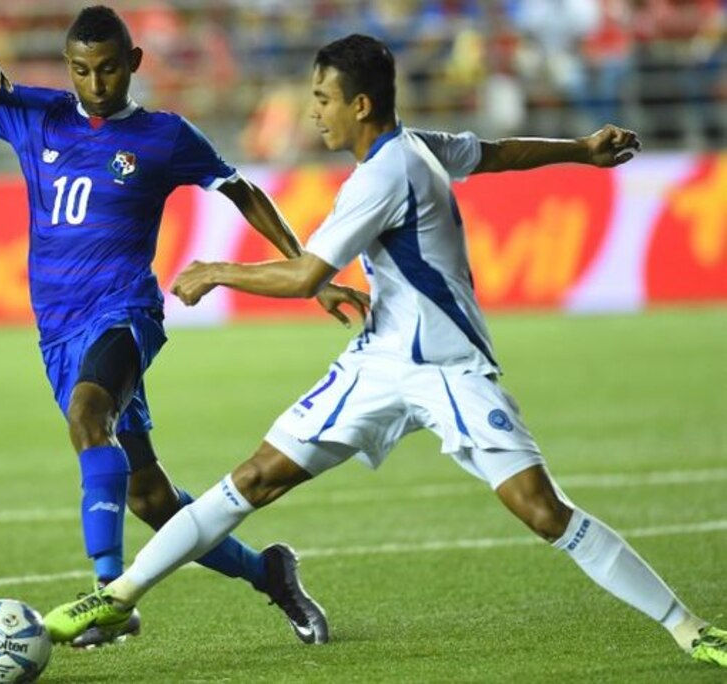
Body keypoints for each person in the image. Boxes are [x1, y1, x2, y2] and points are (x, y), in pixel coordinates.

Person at [58, 33, 727, 669]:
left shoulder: (383, 177)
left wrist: (217, 271)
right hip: (379, 364)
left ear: (359, 105)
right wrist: (580, 148)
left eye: (322, 98)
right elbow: (495, 153)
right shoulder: (417, 146)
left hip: (447, 369)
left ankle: (689, 628)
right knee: (256, 477)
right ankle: (119, 597)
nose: (312, 112)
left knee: (544, 510)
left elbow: (306, 277)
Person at [0, 6, 368, 647]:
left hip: (125, 312)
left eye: (107, 69)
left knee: (87, 417)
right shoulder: (36, 113)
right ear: (68, 67)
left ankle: (109, 595)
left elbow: (241, 190)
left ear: (133, 63)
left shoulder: (164, 136)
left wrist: (308, 272)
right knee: (150, 497)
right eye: (81, 70)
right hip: (59, 332)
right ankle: (268, 572)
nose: (95, 83)